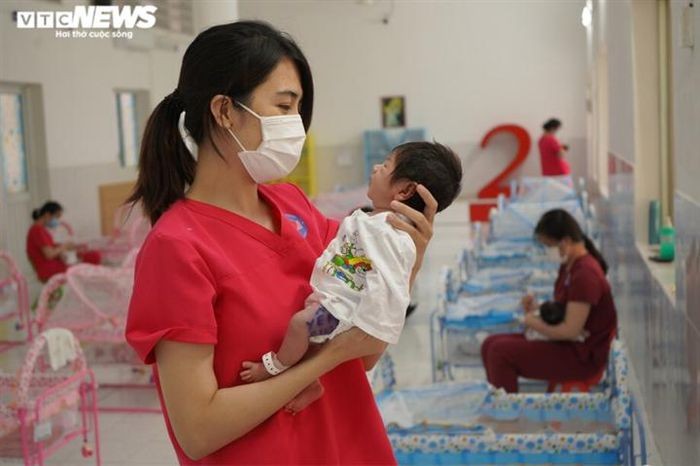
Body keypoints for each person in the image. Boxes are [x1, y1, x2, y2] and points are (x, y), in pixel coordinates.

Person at [124, 21, 437, 465]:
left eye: (299, 108)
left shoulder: (293, 206)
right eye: (284, 105)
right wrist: (323, 361)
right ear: (225, 111)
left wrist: (408, 262)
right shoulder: (177, 248)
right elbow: (197, 430)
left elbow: (361, 358)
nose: (296, 124)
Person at [239, 142, 463, 414]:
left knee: (300, 325)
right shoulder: (372, 221)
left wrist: (372, 329)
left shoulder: (388, 232)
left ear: (403, 190)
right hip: (334, 301)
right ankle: (310, 383)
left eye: (386, 165)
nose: (376, 168)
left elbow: (388, 285)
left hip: (344, 313)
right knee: (310, 339)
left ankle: (274, 368)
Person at [481, 209, 617, 393]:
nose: (547, 251)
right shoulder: (569, 266)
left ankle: (506, 414)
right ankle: (499, 403)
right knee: (489, 344)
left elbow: (570, 330)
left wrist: (532, 322)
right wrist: (537, 309)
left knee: (499, 352)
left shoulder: (585, 274)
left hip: (581, 357)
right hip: (571, 345)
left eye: (548, 245)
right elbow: (564, 309)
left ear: (566, 241)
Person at [26, 201, 101, 282]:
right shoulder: (37, 231)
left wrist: (65, 249)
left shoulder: (40, 230)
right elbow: (49, 254)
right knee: (91, 258)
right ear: (47, 215)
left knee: (92, 255)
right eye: (57, 217)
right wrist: (64, 247)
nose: (58, 221)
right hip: (48, 268)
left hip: (52, 263)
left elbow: (50, 247)